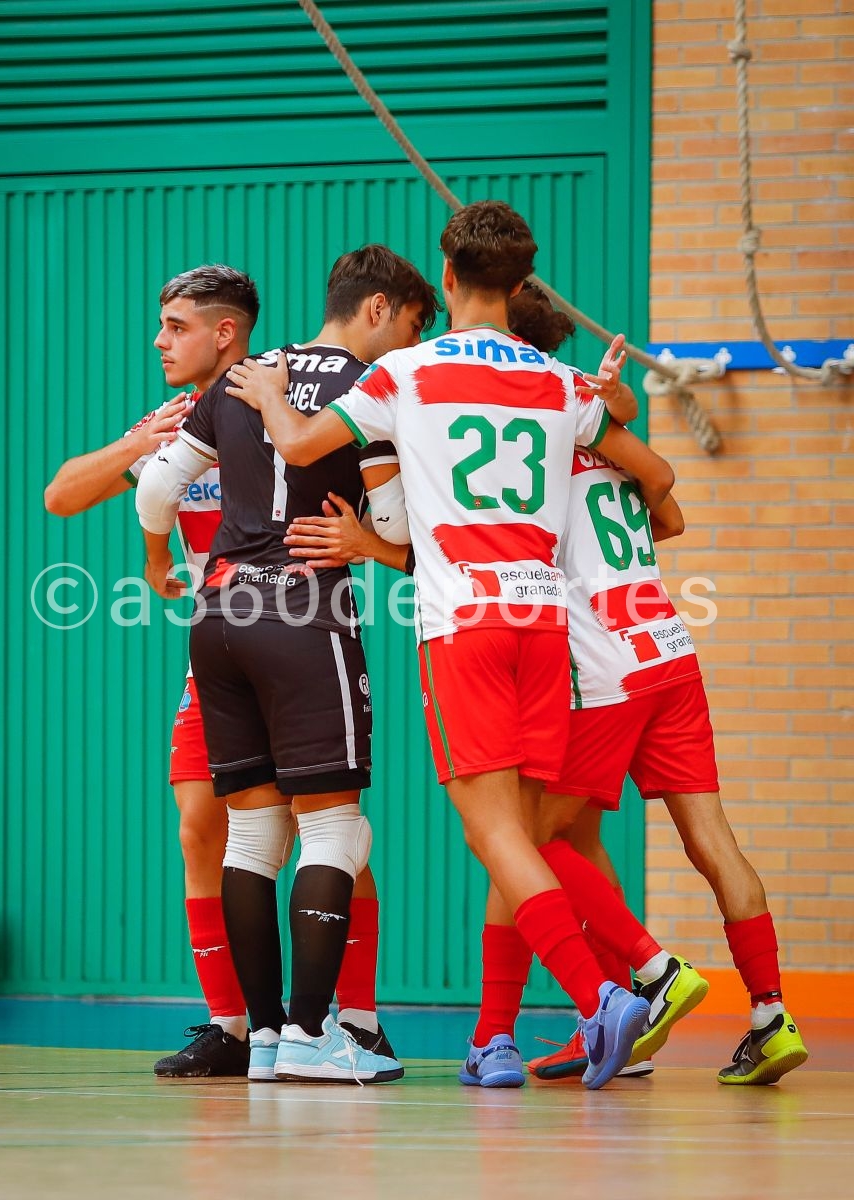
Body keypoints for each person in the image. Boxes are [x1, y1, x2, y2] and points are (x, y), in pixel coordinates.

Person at [224, 200, 686, 1090]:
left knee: (493, 834)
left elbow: (302, 440)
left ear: (445, 277)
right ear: (520, 285)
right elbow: (654, 477)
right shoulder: (558, 381)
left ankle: (602, 996)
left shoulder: (407, 369)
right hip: (547, 627)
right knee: (522, 833)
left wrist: (275, 392)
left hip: (465, 626)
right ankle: (504, 1038)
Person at [44, 263, 394, 1079]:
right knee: (204, 828)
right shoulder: (178, 422)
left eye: (175, 327)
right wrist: (142, 451)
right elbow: (63, 495)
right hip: (226, 645)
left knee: (326, 830)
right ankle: (237, 1028)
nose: (160, 341)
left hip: (291, 626)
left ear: (225, 333)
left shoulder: (284, 394)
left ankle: (359, 1019)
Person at [135, 245, 440, 1084]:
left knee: (253, 831)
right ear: (376, 310)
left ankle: (263, 1038)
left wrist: (160, 562)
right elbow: (398, 526)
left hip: (218, 614)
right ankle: (316, 1034)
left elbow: (155, 493)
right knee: (337, 828)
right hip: (304, 608)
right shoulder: (371, 389)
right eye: (411, 327)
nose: (407, 347)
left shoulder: (247, 374)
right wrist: (370, 545)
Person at [490, 284, 808, 1087]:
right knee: (709, 838)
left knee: (529, 839)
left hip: (606, 665)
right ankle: (770, 1014)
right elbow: (669, 519)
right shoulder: (601, 424)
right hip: (668, 646)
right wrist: (620, 412)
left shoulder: (531, 427)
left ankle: (653, 975)